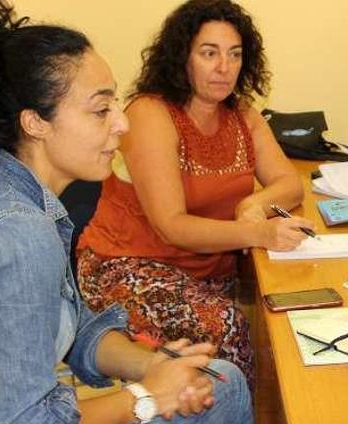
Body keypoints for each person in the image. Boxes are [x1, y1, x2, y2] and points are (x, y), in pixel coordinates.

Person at [0, 3, 271, 424]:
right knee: (227, 384)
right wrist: (145, 397)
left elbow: (75, 331)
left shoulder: (13, 197)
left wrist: (154, 364)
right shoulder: (16, 229)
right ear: (35, 123)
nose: (122, 124)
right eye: (100, 109)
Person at [76, 0, 310, 387]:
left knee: (287, 313)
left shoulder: (243, 115)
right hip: (128, 264)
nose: (224, 67)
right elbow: (171, 226)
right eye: (209, 53)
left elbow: (290, 184)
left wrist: (252, 203)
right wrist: (258, 232)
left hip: (207, 273)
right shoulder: (151, 113)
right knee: (229, 325)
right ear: (182, 57)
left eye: (235, 54)